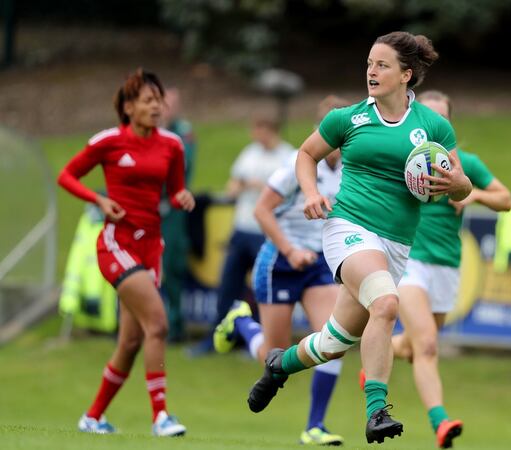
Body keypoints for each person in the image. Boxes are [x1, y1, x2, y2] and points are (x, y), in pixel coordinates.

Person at [246, 31, 473, 445]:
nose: (371, 71)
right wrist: (312, 192)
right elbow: (305, 154)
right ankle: (376, 411)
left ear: (406, 75)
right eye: (369, 63)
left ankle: (278, 365)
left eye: (382, 65)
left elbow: (461, 188)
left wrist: (458, 182)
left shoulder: (433, 126)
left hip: (396, 245)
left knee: (334, 342)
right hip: (347, 228)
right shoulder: (347, 118)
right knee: (386, 304)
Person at [57, 68, 195, 436]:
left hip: (152, 247)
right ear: (128, 107)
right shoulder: (108, 141)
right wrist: (98, 199)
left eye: (159, 100)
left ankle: (92, 417)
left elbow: (177, 192)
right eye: (148, 100)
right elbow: (67, 175)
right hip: (117, 244)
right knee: (159, 323)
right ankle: (161, 416)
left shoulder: (172, 145)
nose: (157, 106)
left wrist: (183, 198)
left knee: (133, 340)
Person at [213, 95, 349, 446]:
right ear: (321, 130)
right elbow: (261, 211)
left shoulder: (350, 167)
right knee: (274, 358)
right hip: (280, 261)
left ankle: (315, 426)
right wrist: (290, 249)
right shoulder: (297, 164)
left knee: (334, 341)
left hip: (320, 263)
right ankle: (241, 321)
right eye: (332, 131)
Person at [382, 90, 511, 448]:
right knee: (426, 345)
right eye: (428, 117)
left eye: (443, 120)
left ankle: (376, 355)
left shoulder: (464, 164)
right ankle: (439, 421)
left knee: (414, 345)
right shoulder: (398, 159)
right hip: (408, 261)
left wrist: (473, 194)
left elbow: (506, 199)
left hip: (447, 266)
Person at [192, 115, 294, 355]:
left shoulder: (287, 156)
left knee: (262, 288)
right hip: (241, 228)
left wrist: (262, 187)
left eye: (258, 129)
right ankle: (215, 337)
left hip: (266, 233)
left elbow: (289, 193)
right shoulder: (249, 153)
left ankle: (257, 341)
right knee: (228, 284)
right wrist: (241, 185)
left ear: (270, 129)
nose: (254, 135)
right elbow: (231, 188)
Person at [160, 87, 197, 342]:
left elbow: (180, 167)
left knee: (171, 265)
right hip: (149, 207)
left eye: (172, 103)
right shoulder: (150, 130)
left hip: (172, 209)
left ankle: (175, 325)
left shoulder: (183, 132)